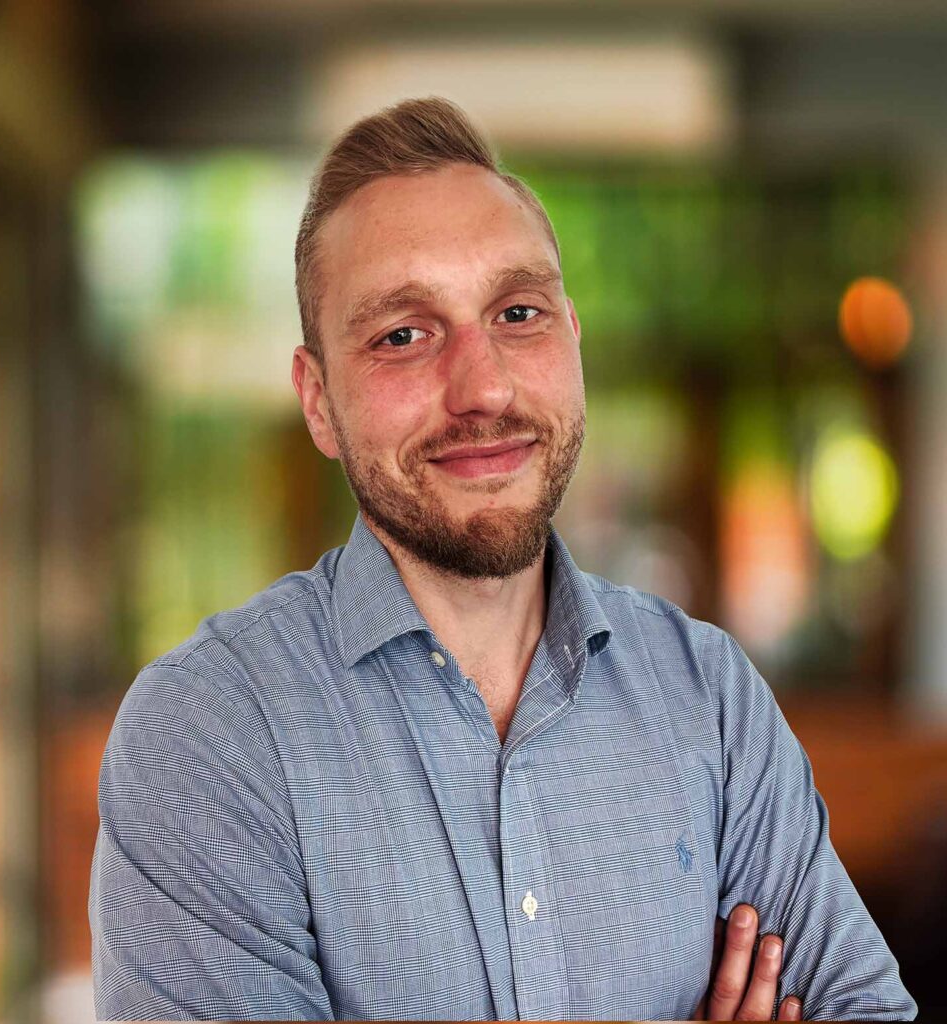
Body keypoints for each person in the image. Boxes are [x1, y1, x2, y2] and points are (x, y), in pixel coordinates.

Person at [89, 96, 917, 1021]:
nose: (482, 385)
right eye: (404, 334)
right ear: (318, 401)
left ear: (574, 346)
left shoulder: (710, 698)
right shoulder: (208, 736)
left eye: (517, 312)